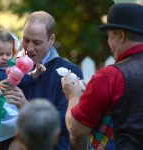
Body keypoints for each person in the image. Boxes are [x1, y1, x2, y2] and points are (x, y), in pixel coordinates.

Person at [61, 3, 143, 150]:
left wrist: (73, 96)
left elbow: (76, 128)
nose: (109, 42)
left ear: (121, 35)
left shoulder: (110, 76)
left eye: (109, 36)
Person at [1, 11, 84, 150]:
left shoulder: (68, 72)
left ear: (51, 39)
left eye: (37, 42)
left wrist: (27, 108)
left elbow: (66, 122)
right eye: (26, 40)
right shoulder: (10, 67)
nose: (29, 48)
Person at [0, 29, 45, 150]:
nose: (5, 58)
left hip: (9, 109)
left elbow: (21, 79)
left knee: (19, 131)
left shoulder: (12, 67)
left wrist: (34, 74)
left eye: (8, 53)